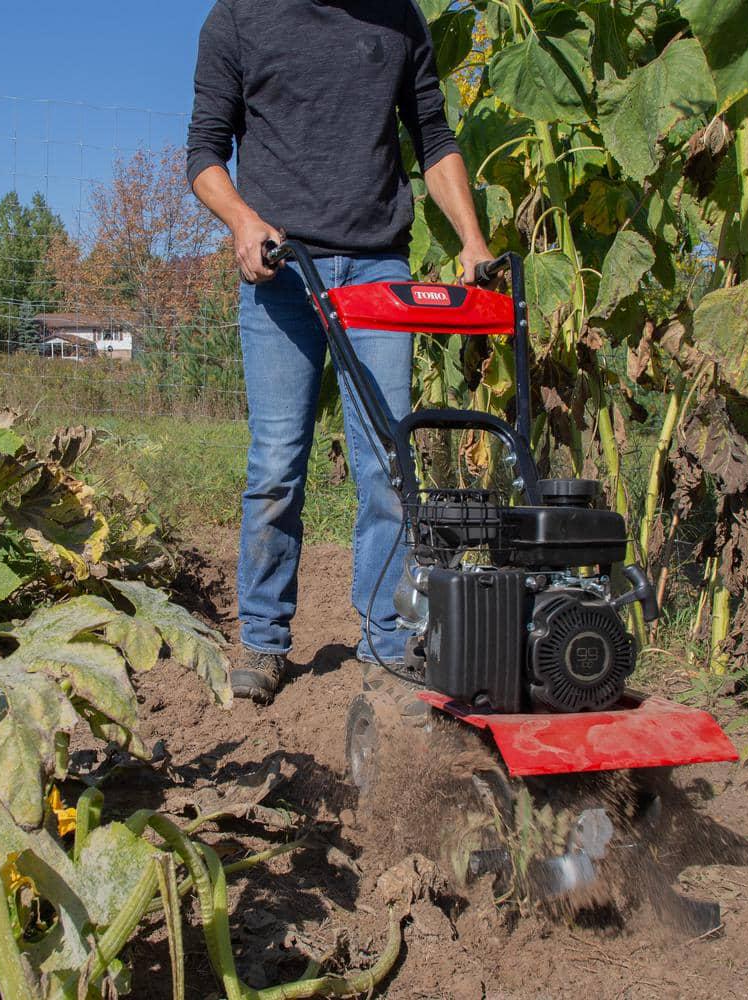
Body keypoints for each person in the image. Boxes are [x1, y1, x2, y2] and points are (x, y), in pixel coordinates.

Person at [187, 0, 492, 704]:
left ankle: (386, 644)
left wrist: (471, 239)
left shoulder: (395, 15)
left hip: (379, 270)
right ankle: (263, 640)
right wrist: (241, 220)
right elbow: (204, 151)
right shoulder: (239, 16)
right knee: (275, 464)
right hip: (285, 269)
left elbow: (433, 136)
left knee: (388, 460)